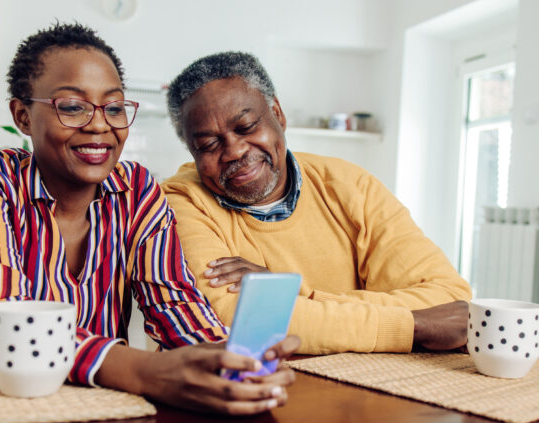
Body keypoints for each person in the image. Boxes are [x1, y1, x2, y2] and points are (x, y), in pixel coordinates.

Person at [0, 25, 299, 415]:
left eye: (113, 107)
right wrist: (146, 372)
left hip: (95, 400)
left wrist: (228, 360)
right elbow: (5, 323)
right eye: (73, 107)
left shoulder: (138, 190)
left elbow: (175, 303)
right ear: (23, 116)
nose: (99, 125)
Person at [161, 51, 472, 355]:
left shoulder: (350, 185)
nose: (234, 151)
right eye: (208, 145)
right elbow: (239, 323)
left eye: (246, 127)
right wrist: (414, 326)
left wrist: (297, 296)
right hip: (263, 389)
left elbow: (451, 300)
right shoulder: (180, 202)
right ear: (192, 151)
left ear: (278, 114)